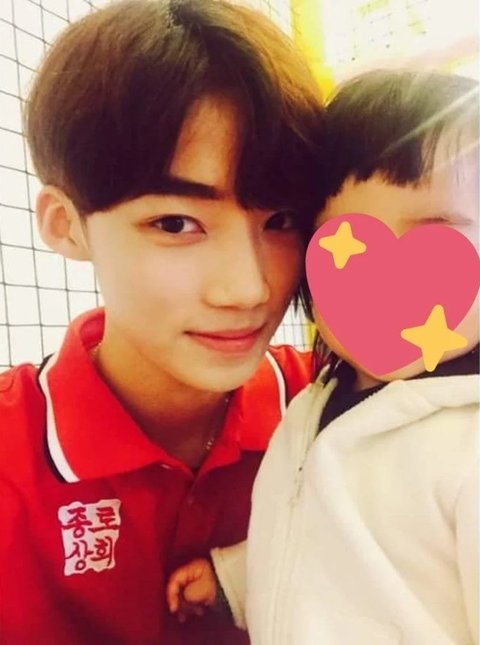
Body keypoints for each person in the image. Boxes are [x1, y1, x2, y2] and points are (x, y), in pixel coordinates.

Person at [0, 1, 326, 643]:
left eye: (280, 221)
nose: (249, 288)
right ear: (66, 225)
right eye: (176, 223)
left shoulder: (336, 406)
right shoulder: (12, 457)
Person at [166, 70, 480, 644]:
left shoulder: (468, 442)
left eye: (435, 229)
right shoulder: (319, 400)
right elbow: (319, 537)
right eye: (344, 241)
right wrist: (235, 577)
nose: (386, 277)